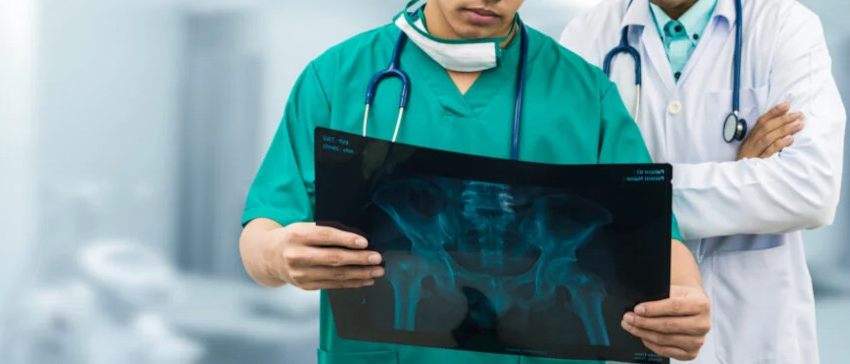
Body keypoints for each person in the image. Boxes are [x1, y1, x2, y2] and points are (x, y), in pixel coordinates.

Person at [240, 0, 712, 362]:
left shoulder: (585, 95)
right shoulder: (337, 77)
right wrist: (280, 256)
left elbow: (655, 241)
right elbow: (262, 230)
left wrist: (686, 298)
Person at [559, 0, 847, 363]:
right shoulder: (587, 36)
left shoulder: (785, 25)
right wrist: (740, 172)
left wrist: (628, 196)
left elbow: (811, 189)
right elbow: (565, 198)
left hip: (755, 337)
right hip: (630, 331)